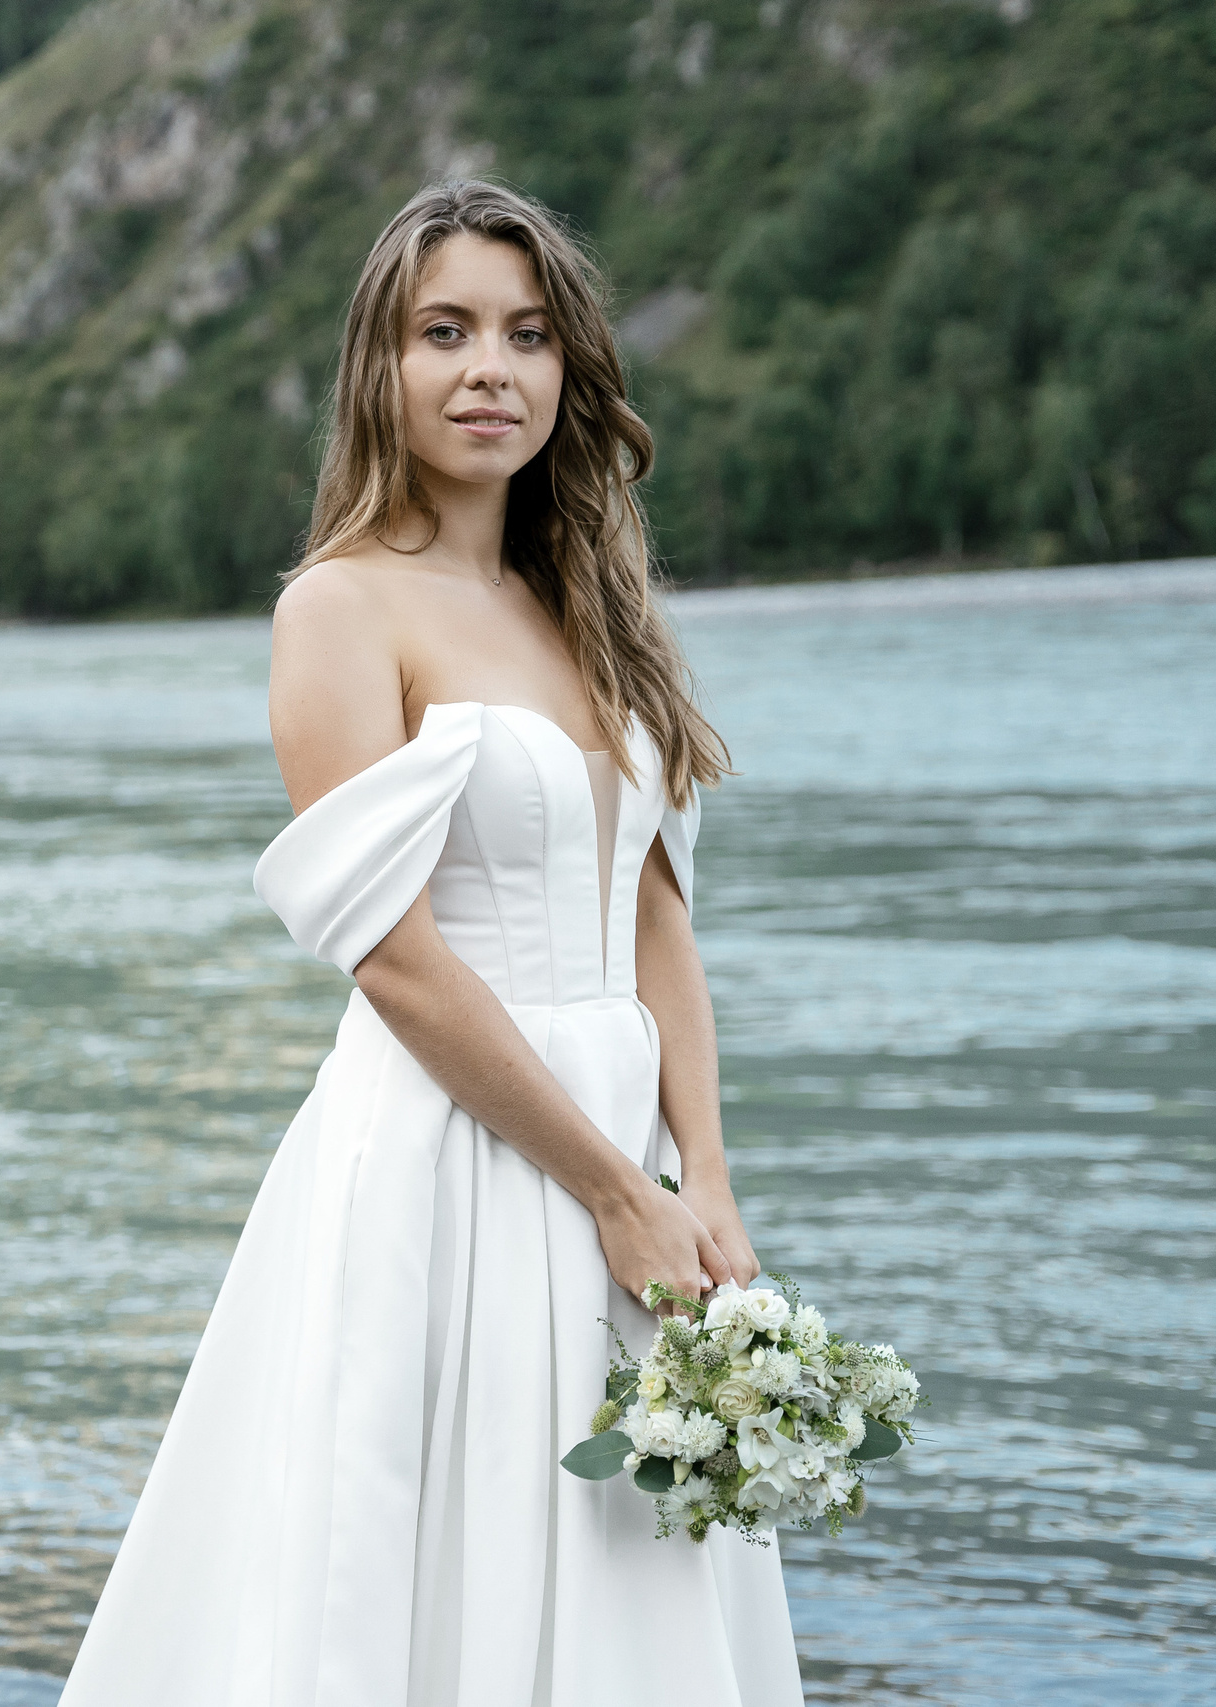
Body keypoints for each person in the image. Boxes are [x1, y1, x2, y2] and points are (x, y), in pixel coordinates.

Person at [57, 179, 802, 1705]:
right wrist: (611, 1186)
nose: (490, 370)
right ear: (378, 370)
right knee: (439, 1545)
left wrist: (701, 1177)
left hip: (621, 1151)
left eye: (527, 336)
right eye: (444, 331)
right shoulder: (338, 611)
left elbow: (652, 913)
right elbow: (392, 961)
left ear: (567, 371)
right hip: (450, 1150)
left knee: (624, 1549)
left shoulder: (591, 600)